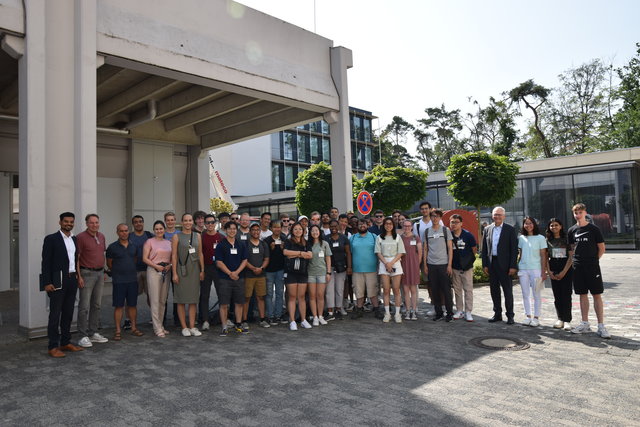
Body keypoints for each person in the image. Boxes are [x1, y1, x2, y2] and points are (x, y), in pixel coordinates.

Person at [41, 212, 84, 357]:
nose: (69, 224)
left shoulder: (74, 239)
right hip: (57, 281)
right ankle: (53, 346)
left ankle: (65, 342)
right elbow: (45, 262)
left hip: (72, 279)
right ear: (60, 222)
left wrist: (78, 276)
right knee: (55, 314)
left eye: (71, 222)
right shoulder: (51, 239)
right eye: (66, 221)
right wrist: (46, 282)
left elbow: (75, 260)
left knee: (68, 313)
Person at [568, 203, 610, 338]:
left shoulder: (594, 229)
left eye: (580, 212)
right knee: (582, 294)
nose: (578, 215)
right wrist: (575, 261)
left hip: (592, 267)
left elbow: (602, 248)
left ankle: (601, 326)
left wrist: (593, 261)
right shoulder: (571, 230)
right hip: (578, 267)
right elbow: (571, 249)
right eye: (575, 213)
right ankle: (585, 323)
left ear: (585, 213)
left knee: (596, 294)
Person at [76, 213, 109, 347]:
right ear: (86, 223)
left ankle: (93, 332)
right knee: (84, 307)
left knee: (96, 305)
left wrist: (104, 270)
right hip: (86, 273)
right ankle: (82, 335)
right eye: (92, 222)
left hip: (100, 273)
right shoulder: (80, 238)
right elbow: (76, 258)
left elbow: (102, 254)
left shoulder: (101, 236)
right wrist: (79, 276)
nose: (94, 225)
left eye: (96, 222)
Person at [106, 224, 144, 340]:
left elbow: (135, 260)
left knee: (132, 305)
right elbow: (109, 263)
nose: (124, 233)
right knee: (119, 306)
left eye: (126, 231)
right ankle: (118, 330)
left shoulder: (134, 246)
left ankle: (133, 328)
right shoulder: (112, 247)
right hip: (119, 281)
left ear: (129, 232)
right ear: (117, 232)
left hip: (132, 280)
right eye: (121, 231)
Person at [481, 206, 518, 324]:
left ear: (504, 216)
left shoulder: (510, 230)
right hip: (492, 264)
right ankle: (497, 314)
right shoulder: (487, 229)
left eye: (499, 215)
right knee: (494, 291)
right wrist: (485, 264)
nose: (497, 217)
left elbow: (514, 250)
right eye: (495, 214)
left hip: (506, 266)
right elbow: (485, 249)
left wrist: (513, 266)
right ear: (492, 216)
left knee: (507, 291)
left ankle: (510, 315)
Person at [171, 213, 205, 337]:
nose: (188, 223)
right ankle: (184, 327)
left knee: (193, 299)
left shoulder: (198, 235)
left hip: (195, 270)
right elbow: (174, 256)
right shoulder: (176, 237)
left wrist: (202, 270)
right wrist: (174, 273)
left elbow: (200, 254)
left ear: (192, 222)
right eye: (185, 220)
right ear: (182, 222)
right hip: (182, 270)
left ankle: (192, 326)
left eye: (190, 220)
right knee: (181, 299)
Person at [215, 221, 249, 336]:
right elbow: (219, 262)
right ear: (225, 230)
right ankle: (224, 326)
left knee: (239, 302)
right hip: (224, 278)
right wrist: (230, 273)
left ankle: (238, 324)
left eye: (234, 228)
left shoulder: (241, 244)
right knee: (224, 304)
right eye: (229, 229)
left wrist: (236, 273)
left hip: (239, 278)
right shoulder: (221, 245)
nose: (232, 231)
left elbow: (245, 260)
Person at [143, 220, 172, 337]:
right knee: (154, 300)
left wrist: (169, 266)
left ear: (164, 229)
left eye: (161, 228)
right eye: (157, 229)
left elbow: (172, 257)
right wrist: (156, 266)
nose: (159, 231)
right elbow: (145, 258)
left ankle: (161, 325)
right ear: (154, 230)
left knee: (162, 301)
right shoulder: (149, 242)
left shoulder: (168, 242)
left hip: (166, 272)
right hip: (153, 271)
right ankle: (157, 328)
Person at [517, 217, 548, 327]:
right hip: (523, 269)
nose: (528, 225)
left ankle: (536, 317)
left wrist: (543, 272)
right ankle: (528, 316)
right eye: (526, 223)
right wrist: (518, 267)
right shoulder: (521, 238)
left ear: (534, 224)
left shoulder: (540, 238)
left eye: (530, 223)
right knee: (525, 294)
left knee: (536, 294)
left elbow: (543, 255)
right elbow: (520, 254)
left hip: (536, 269)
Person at [283, 222, 313, 330]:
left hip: (302, 273)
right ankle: (292, 321)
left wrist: (294, 254)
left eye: (300, 229)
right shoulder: (288, 241)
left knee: (301, 297)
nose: (298, 231)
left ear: (303, 230)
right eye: (295, 229)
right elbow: (286, 252)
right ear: (292, 231)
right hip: (291, 273)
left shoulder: (306, 242)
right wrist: (301, 254)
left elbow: (310, 255)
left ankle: (303, 320)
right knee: (292, 297)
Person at [545, 218, 573, 331]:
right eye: (552, 225)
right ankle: (560, 318)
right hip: (553, 268)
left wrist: (564, 272)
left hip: (566, 268)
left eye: (556, 225)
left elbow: (571, 256)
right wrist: (549, 271)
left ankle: (567, 320)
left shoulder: (566, 239)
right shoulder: (547, 240)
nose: (554, 227)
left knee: (566, 295)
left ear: (561, 226)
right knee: (557, 296)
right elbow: (546, 257)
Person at [376, 217, 406, 323]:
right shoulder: (379, 237)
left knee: (396, 290)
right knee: (386, 290)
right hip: (384, 264)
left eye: (390, 224)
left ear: (393, 225)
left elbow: (401, 252)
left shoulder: (397, 237)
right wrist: (386, 263)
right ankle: (387, 313)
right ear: (384, 225)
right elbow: (378, 252)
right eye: (386, 223)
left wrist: (391, 263)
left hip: (396, 263)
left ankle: (397, 314)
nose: (388, 225)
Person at [350, 219, 381, 319]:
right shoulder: (353, 238)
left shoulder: (374, 237)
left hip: (371, 269)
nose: (362, 226)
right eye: (360, 224)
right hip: (357, 270)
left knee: (373, 291)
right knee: (358, 291)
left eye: (363, 224)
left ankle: (376, 309)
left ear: (367, 225)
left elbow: (378, 252)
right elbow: (349, 254)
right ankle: (359, 310)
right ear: (357, 226)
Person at [126, 215, 153, 330]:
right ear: (133, 224)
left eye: (140, 221)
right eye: (136, 222)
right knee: (131, 296)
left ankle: (154, 318)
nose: (138, 224)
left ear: (143, 223)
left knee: (151, 296)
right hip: (134, 271)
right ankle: (128, 320)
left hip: (148, 270)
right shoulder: (129, 236)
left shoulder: (149, 235)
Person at [449, 214, 477, 322]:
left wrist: (467, 261)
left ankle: (468, 311)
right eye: (452, 222)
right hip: (455, 267)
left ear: (461, 223)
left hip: (467, 268)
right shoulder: (449, 235)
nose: (454, 224)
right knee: (457, 290)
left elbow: (474, 249)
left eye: (456, 222)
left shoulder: (468, 235)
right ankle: (459, 310)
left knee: (468, 290)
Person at [244, 223, 271, 329]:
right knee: (246, 298)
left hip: (261, 275)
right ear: (250, 231)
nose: (255, 232)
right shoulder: (245, 244)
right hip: (249, 275)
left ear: (260, 231)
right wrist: (253, 268)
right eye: (253, 230)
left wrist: (261, 268)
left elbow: (267, 259)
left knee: (261, 297)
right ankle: (244, 320)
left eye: (257, 230)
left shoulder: (263, 244)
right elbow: (244, 260)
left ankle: (262, 319)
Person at [200, 214, 223, 330]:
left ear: (215, 223)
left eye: (212, 222)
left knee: (221, 294)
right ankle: (205, 320)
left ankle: (223, 318)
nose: (210, 224)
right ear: (204, 224)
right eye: (207, 222)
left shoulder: (221, 237)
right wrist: (202, 270)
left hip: (218, 269)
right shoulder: (201, 237)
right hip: (206, 268)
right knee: (205, 295)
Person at [325, 219, 351, 321]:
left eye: (335, 226)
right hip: (329, 267)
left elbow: (348, 253)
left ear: (339, 226)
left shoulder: (344, 238)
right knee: (329, 290)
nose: (333, 228)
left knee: (339, 289)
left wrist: (349, 267)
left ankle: (338, 309)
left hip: (341, 267)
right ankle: (330, 311)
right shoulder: (325, 238)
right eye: (331, 226)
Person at [307, 224, 332, 326]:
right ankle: (315, 317)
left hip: (322, 273)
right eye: (312, 231)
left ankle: (321, 316)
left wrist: (328, 272)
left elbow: (328, 258)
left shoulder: (325, 243)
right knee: (312, 296)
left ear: (319, 231)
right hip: (310, 273)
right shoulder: (308, 244)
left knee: (320, 296)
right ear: (310, 233)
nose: (315, 232)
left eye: (316, 230)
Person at [264, 220, 286, 325]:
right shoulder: (267, 240)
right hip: (269, 271)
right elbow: (264, 256)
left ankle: (278, 315)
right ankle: (270, 315)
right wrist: (271, 248)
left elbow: (287, 255)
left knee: (279, 293)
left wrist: (283, 248)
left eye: (279, 227)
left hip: (280, 270)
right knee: (268, 294)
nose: (277, 229)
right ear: (271, 228)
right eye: (275, 227)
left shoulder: (284, 239)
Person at [400, 219, 421, 321]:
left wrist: (418, 265)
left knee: (413, 290)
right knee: (405, 290)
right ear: (403, 227)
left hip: (414, 266)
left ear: (412, 227)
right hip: (403, 266)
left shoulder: (416, 238)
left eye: (409, 226)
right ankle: (407, 311)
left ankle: (414, 311)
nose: (407, 227)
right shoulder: (400, 238)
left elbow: (420, 253)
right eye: (405, 226)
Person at [163, 211, 180, 326]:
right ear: (165, 221)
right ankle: (162, 319)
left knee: (177, 295)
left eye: (172, 219)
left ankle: (177, 319)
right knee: (163, 295)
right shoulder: (161, 233)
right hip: (164, 268)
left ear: (175, 220)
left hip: (177, 268)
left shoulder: (180, 234)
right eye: (168, 220)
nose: (170, 222)